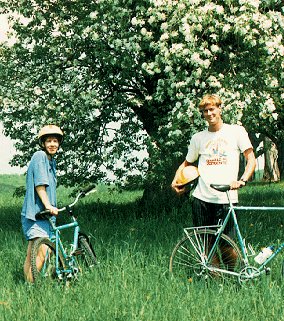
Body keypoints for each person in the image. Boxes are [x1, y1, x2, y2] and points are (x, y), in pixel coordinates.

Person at [171, 94, 256, 263]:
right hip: (201, 198)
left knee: (227, 245)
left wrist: (242, 180)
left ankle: (232, 277)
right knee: (206, 244)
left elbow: (251, 159)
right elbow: (186, 163)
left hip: (227, 197)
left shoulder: (236, 131)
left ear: (220, 109)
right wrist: (176, 181)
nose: (209, 113)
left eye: (212, 109)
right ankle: (217, 281)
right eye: (205, 111)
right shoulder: (198, 138)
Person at [21, 124, 63, 282]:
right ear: (43, 143)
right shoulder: (40, 156)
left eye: (55, 141)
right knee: (43, 252)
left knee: (33, 254)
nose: (52, 144)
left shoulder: (51, 161)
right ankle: (32, 288)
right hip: (37, 214)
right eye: (49, 141)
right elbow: (40, 185)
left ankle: (27, 286)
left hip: (44, 215)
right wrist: (48, 206)